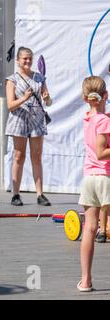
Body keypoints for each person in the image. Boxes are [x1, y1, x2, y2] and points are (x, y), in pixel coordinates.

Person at [5, 47, 53, 206]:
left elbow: (48, 101)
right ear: (18, 60)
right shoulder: (12, 79)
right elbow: (10, 105)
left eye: (29, 58)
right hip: (19, 120)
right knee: (19, 156)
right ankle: (16, 194)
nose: (27, 61)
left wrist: (47, 99)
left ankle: (40, 194)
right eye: (24, 58)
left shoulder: (39, 78)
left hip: (37, 120)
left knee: (36, 156)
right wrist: (24, 98)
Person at [77, 76, 109, 292]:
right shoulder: (105, 121)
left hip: (89, 178)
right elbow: (101, 153)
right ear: (105, 96)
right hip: (104, 178)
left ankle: (85, 280)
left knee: (89, 229)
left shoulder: (87, 118)